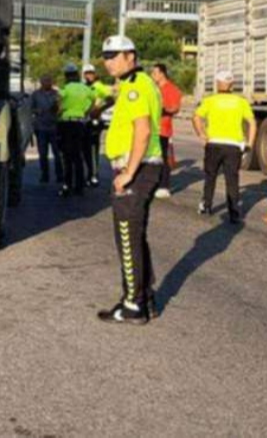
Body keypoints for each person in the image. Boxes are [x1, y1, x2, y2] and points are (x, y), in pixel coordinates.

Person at [97, 36, 163, 325]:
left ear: (130, 56)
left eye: (114, 55)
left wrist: (128, 173)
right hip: (141, 168)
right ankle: (144, 297)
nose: (107, 61)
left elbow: (143, 131)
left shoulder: (136, 86)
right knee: (135, 237)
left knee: (126, 236)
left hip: (137, 169)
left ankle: (133, 304)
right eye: (105, 56)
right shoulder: (133, 84)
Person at [193, 70, 257, 223]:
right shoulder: (240, 101)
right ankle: (234, 212)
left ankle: (206, 205)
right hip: (233, 146)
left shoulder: (210, 100)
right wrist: (249, 144)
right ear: (232, 84)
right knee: (232, 179)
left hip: (214, 143)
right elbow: (252, 123)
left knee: (210, 176)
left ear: (217, 84)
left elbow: (196, 117)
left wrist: (202, 134)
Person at [57, 62, 96, 197]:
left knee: (67, 156)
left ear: (66, 76)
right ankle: (79, 186)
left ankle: (67, 185)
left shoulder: (65, 89)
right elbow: (94, 101)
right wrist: (87, 112)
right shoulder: (85, 89)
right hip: (80, 124)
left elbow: (59, 106)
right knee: (78, 155)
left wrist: (56, 114)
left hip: (66, 124)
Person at [151, 63, 183, 199]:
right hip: (151, 128)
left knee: (163, 158)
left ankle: (164, 185)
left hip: (163, 129)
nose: (153, 76)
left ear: (162, 73)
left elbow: (175, 108)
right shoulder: (154, 88)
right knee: (151, 158)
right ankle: (153, 183)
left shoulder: (171, 89)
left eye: (154, 73)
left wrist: (163, 109)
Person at [83, 64, 114, 186]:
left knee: (92, 148)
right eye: (87, 73)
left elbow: (111, 99)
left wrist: (99, 109)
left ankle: (94, 175)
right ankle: (88, 173)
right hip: (85, 120)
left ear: (95, 73)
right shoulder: (85, 87)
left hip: (95, 121)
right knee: (84, 149)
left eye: (91, 73)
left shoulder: (99, 86)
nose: (89, 75)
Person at [30, 75, 63, 184]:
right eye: (45, 81)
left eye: (49, 81)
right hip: (41, 128)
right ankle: (45, 175)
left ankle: (60, 175)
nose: (47, 83)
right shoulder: (35, 95)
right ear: (41, 82)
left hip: (54, 127)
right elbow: (30, 109)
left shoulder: (56, 94)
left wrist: (57, 110)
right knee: (43, 154)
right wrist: (36, 111)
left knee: (57, 153)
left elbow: (61, 107)